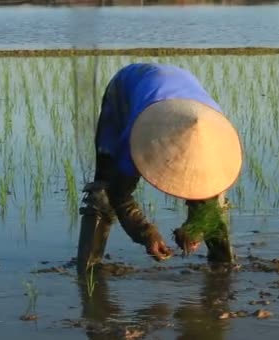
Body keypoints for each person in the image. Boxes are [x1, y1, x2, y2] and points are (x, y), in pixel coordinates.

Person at [76, 63, 243, 274]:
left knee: (212, 201)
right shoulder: (137, 136)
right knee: (104, 189)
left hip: (184, 93)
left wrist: (195, 228)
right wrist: (146, 233)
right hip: (127, 88)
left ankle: (222, 268)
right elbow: (119, 193)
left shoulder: (215, 134)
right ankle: (88, 270)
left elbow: (208, 194)